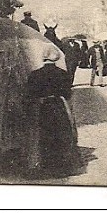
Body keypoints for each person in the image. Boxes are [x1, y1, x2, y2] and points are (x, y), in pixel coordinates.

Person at [25, 45, 82, 177]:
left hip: (41, 107)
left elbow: (29, 94)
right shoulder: (63, 74)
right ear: (56, 58)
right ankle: (59, 166)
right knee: (59, 134)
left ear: (44, 57)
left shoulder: (35, 74)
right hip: (58, 106)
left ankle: (43, 165)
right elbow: (67, 93)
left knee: (42, 135)